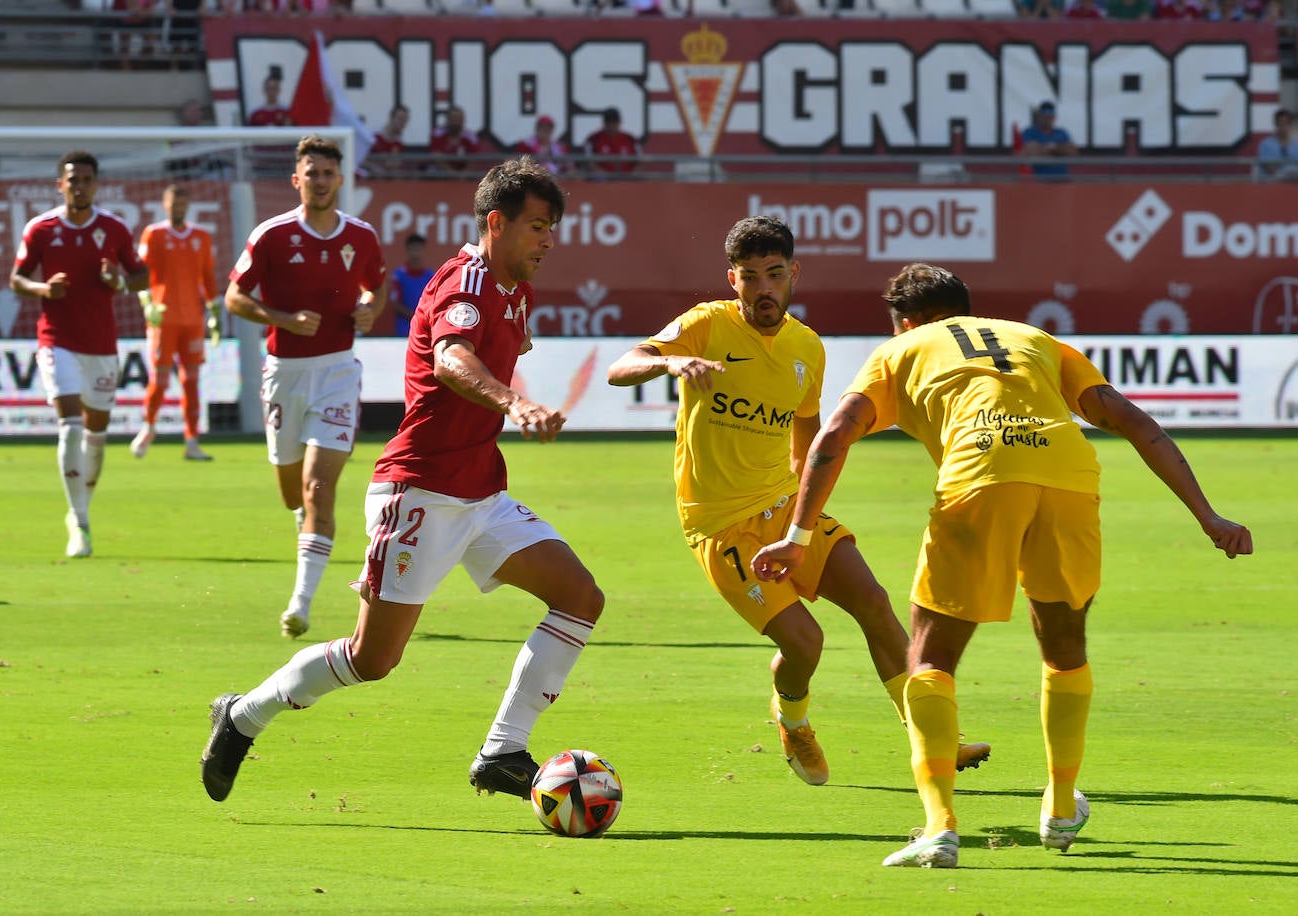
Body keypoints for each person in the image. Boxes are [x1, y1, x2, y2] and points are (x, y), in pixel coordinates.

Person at [752, 263, 1253, 868]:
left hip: (981, 473)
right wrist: (1208, 516)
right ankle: (1061, 805)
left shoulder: (899, 350)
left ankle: (938, 827)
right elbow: (1132, 420)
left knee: (931, 659)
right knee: (1064, 648)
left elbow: (832, 436)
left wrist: (798, 537)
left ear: (906, 322)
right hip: (1068, 475)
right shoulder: (1034, 339)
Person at [200, 156, 604, 806]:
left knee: (580, 597)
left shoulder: (513, 289)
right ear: (496, 223)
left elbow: (492, 345)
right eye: (537, 226)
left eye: (552, 227)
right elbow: (451, 359)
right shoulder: (465, 283)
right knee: (372, 659)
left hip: (481, 494)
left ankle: (503, 751)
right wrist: (515, 402)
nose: (548, 240)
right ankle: (242, 715)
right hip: (418, 494)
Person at [606, 217, 989, 787]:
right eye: (750, 276)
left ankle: (934, 739)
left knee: (874, 603)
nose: (763, 288)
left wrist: (802, 523)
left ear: (794, 274)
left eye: (775, 273)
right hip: (722, 525)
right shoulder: (705, 325)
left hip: (782, 506)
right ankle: (793, 719)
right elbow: (619, 369)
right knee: (806, 644)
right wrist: (669, 362)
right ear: (732, 279)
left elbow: (806, 444)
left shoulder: (806, 346)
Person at [223, 134, 387, 638]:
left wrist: (369, 309)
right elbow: (233, 297)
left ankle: (301, 603)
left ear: (340, 180)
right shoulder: (272, 235)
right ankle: (304, 525)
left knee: (319, 487)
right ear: (296, 180)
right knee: (293, 492)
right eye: (311, 173)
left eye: (327, 173)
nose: (319, 181)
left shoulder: (361, 236)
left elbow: (376, 286)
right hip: (284, 373)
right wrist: (281, 318)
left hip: (337, 372)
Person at [9, 150, 149, 558]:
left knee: (96, 436)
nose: (80, 187)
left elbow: (141, 276)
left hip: (101, 345)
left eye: (87, 180)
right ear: (60, 185)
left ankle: (81, 510)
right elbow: (17, 278)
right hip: (56, 340)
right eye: (73, 180)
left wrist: (118, 281)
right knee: (70, 426)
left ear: (96, 185)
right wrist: (42, 289)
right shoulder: (41, 229)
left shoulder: (114, 228)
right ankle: (80, 520)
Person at [131, 183, 223, 462]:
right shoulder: (154, 234)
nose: (178, 208)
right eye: (173, 204)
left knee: (191, 381)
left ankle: (192, 440)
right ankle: (148, 428)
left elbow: (207, 276)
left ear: (188, 205)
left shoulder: (201, 236)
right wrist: (147, 304)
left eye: (182, 204)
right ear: (165, 205)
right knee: (159, 379)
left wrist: (214, 312)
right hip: (163, 319)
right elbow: (140, 273)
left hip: (192, 320)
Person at [383, 232, 434, 338]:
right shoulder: (398, 275)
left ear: (423, 250)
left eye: (418, 249)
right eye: (413, 249)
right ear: (407, 250)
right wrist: (416, 317)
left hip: (426, 331)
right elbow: (395, 304)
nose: (415, 253)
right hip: (404, 331)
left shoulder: (431, 276)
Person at [1017, 100, 1077, 179]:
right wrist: (1058, 151)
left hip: (1062, 180)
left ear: (1054, 117)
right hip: (1038, 181)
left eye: (1050, 116)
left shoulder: (1062, 132)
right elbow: (1033, 152)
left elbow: (1072, 153)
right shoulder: (1029, 132)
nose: (1047, 119)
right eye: (1044, 116)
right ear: (1039, 116)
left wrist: (1047, 148)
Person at [584, 107, 640, 177]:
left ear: (620, 122)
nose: (612, 125)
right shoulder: (593, 139)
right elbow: (589, 162)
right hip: (602, 179)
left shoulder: (630, 139)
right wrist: (607, 177)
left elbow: (640, 162)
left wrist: (630, 177)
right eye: (609, 122)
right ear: (604, 123)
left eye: (615, 122)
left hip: (628, 179)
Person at [429, 105, 481, 172]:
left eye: (458, 119)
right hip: (440, 171)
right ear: (447, 120)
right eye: (453, 119)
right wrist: (452, 173)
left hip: (462, 173)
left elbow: (473, 161)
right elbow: (436, 157)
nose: (455, 122)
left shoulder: (471, 137)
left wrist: (463, 175)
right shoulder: (437, 133)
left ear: (463, 120)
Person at [1254, 108, 1298, 182]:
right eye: (1281, 123)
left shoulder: (1296, 146)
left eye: (1286, 123)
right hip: (1273, 183)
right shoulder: (1266, 144)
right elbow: (1269, 167)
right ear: (1276, 124)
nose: (1283, 127)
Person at [367, 103, 410, 176]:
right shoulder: (374, 135)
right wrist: (373, 167)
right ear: (391, 118)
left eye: (405, 120)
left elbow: (395, 164)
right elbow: (360, 159)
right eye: (400, 119)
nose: (402, 123)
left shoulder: (399, 142)